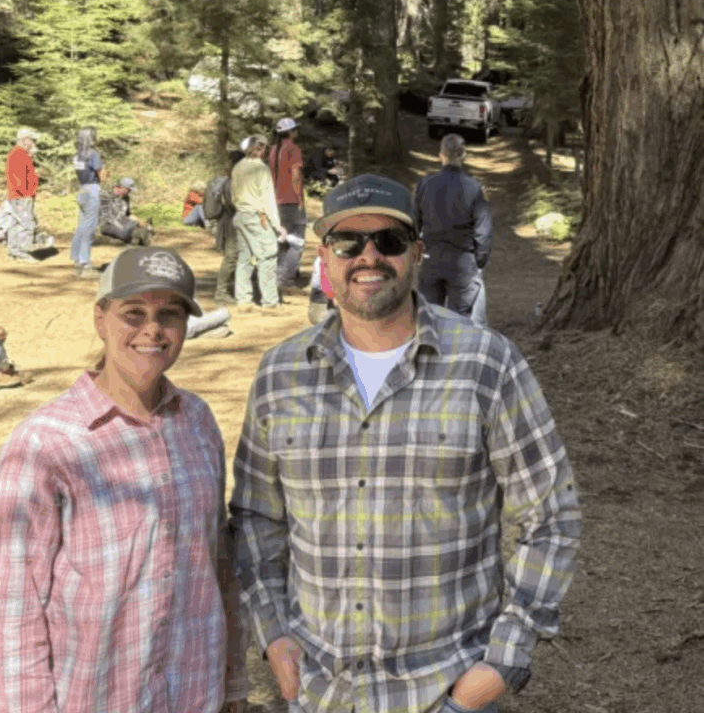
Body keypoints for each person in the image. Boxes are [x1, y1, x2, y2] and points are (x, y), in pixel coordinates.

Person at [230, 173, 581, 713]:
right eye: (348, 242)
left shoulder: (487, 363)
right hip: (318, 690)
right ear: (325, 257)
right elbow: (257, 517)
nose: (368, 256)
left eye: (389, 241)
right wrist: (273, 634)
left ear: (417, 252)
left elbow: (552, 515)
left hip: (443, 688)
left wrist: (500, 663)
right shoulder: (281, 373)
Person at [0, 246, 247, 713]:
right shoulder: (45, 444)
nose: (153, 329)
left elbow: (217, 562)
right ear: (100, 319)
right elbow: (15, 612)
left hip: (196, 692)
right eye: (134, 313)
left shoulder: (198, 422)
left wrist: (233, 685)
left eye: (170, 313)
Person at [414, 133, 493, 327]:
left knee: (429, 320)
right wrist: (479, 260)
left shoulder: (424, 185)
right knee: (461, 322)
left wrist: (418, 253)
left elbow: (414, 224)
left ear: (441, 155)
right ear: (463, 155)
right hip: (463, 261)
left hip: (431, 260)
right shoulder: (474, 187)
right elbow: (484, 231)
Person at [231, 135, 287, 313]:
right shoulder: (261, 169)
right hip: (257, 217)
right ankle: (270, 302)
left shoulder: (238, 166)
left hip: (240, 215)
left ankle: (243, 299)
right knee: (268, 256)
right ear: (260, 149)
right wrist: (278, 226)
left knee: (245, 257)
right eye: (265, 148)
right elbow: (268, 200)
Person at [268, 117, 307, 288]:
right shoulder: (293, 149)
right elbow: (295, 176)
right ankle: (286, 279)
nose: (297, 132)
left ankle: (278, 275)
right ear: (290, 132)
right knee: (296, 242)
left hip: (275, 201)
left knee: (281, 241)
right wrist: (300, 199)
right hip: (291, 200)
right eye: (295, 129)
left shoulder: (273, 150)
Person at [5, 128, 52, 262]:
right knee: (26, 223)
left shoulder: (18, 153)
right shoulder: (19, 154)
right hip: (22, 195)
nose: (34, 143)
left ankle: (14, 251)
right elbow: (19, 177)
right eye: (32, 140)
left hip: (17, 195)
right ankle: (21, 252)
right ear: (25, 140)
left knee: (16, 223)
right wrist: (26, 193)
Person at [70, 126, 105, 278]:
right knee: (89, 227)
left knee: (81, 226)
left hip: (82, 189)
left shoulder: (77, 155)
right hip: (92, 190)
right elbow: (102, 176)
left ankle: (77, 261)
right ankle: (86, 265)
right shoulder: (93, 154)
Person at [213, 150, 245, 305]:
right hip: (232, 223)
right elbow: (234, 204)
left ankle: (231, 289)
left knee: (235, 257)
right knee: (231, 257)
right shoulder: (234, 180)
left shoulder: (231, 178)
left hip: (229, 222)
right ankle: (221, 292)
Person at [99, 176, 152, 246]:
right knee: (128, 230)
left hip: (121, 222)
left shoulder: (125, 198)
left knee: (136, 226)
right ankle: (135, 237)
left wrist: (140, 222)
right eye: (128, 190)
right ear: (121, 187)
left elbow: (128, 214)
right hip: (106, 224)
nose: (129, 192)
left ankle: (139, 237)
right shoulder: (104, 195)